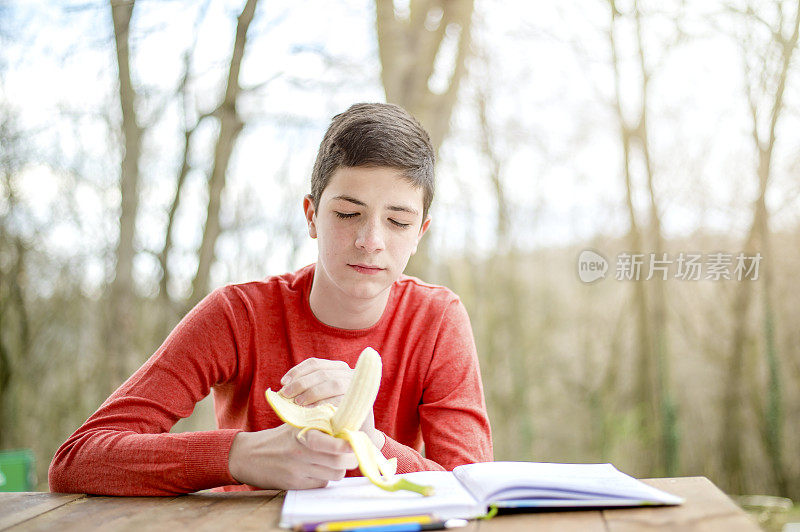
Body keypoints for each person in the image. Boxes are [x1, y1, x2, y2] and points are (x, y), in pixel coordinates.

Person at [48, 103, 493, 495]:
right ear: (312, 216)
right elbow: (77, 459)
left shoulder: (437, 320)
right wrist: (239, 456)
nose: (369, 240)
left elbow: (474, 487)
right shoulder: (236, 315)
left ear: (420, 233)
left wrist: (372, 441)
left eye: (397, 221)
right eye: (347, 213)